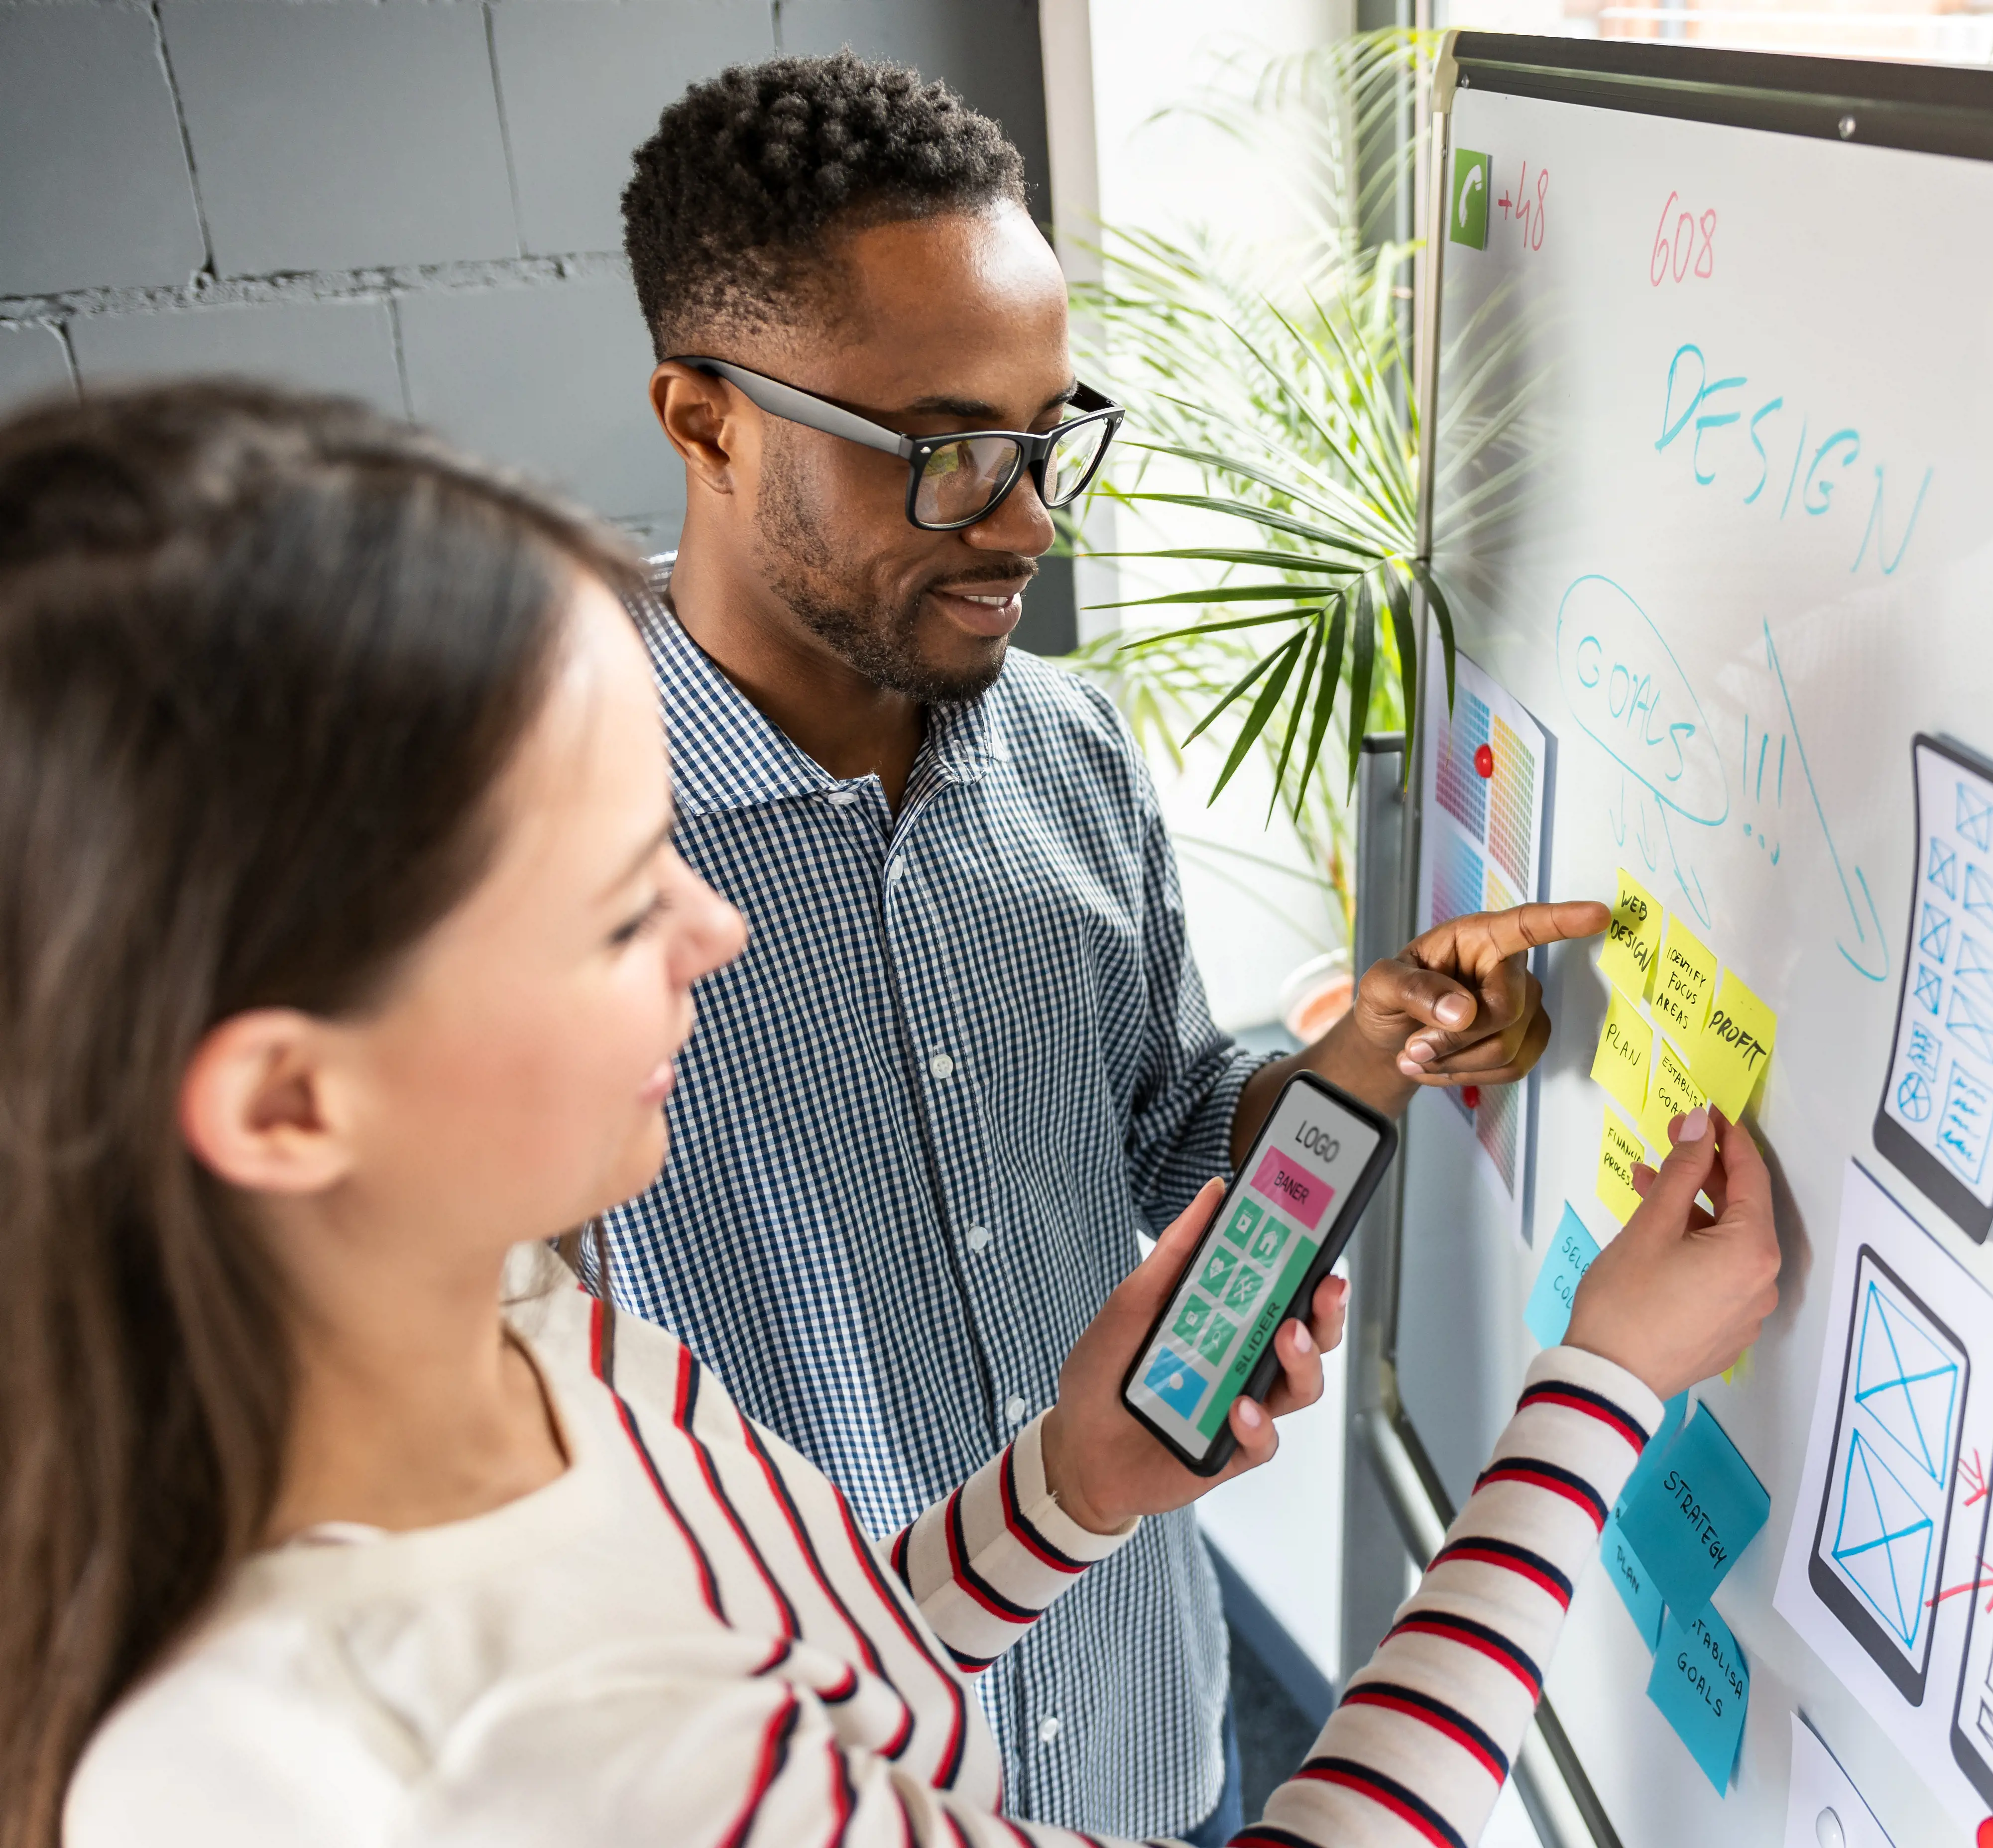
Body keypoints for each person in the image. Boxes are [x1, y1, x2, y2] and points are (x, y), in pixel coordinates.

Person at [0, 386, 1782, 1848]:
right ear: (291, 1099)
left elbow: (803, 1661)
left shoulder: (527, 1335)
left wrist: (1070, 1487)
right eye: (622, 906)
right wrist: (1597, 1392)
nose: (715, 927)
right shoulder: (495, 1763)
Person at [608, 55, 1606, 1842]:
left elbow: (1164, 1120)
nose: (1027, 521)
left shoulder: (1065, 754)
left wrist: (1367, 1055)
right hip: (807, 1793)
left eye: (1050, 432)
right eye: (944, 453)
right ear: (706, 420)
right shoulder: (527, 866)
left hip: (1155, 1739)